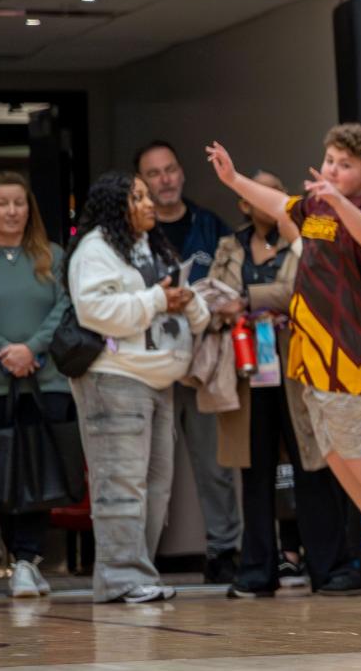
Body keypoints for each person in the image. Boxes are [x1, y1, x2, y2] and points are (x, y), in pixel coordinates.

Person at [206, 125, 361, 596]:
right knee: (332, 453)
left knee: (356, 446)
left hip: (348, 349)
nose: (332, 169)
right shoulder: (313, 206)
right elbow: (276, 204)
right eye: (330, 160)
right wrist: (233, 180)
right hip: (310, 352)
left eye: (345, 164)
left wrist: (338, 198)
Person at [205, 169, 361, 598]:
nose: (272, 200)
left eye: (279, 192)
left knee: (312, 466)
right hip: (246, 371)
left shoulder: (311, 231)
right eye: (262, 194)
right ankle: (256, 570)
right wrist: (236, 303)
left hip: (299, 366)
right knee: (254, 472)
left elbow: (309, 286)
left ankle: (328, 568)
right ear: (244, 202)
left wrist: (250, 299)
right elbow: (215, 295)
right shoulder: (229, 246)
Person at [67, 171, 212, 604]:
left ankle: (138, 574)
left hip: (158, 381)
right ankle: (119, 579)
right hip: (115, 379)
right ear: (116, 206)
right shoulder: (96, 249)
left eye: (147, 196)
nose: (149, 203)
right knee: (120, 484)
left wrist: (191, 302)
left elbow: (179, 297)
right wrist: (156, 300)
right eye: (138, 197)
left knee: (155, 485)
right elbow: (93, 309)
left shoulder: (151, 246)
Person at [135, 141, 241, 583]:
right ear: (141, 183)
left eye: (171, 169)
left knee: (213, 463)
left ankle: (224, 551)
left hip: (201, 359)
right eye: (155, 173)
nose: (166, 179)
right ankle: (139, 560)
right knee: (147, 466)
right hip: (148, 360)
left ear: (181, 173)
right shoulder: (131, 234)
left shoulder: (209, 225)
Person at [0, 171, 71, 598]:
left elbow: (65, 306)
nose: (10, 211)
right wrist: (5, 349)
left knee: (40, 471)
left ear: (29, 208)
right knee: (2, 473)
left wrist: (33, 349)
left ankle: (26, 559)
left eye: (18, 203)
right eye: (2, 203)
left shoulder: (52, 256)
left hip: (46, 382)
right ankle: (20, 556)